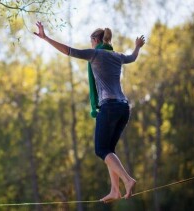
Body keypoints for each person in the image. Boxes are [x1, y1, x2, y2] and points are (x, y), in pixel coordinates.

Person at [33, 21, 145, 203]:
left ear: (94, 40)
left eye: (90, 41)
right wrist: (137, 47)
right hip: (124, 108)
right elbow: (132, 57)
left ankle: (127, 180)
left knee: (101, 150)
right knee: (109, 151)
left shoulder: (95, 54)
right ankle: (115, 190)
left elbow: (68, 50)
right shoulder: (117, 55)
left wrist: (46, 38)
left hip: (108, 107)